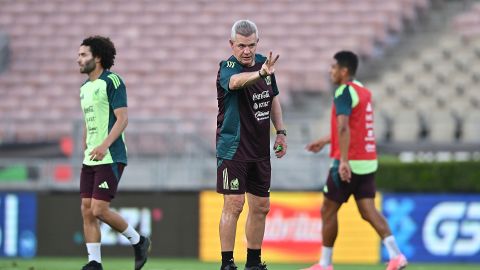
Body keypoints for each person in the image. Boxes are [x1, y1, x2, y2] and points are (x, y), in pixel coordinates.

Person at [304, 51, 407, 270]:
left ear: (344, 71)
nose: (330, 71)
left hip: (349, 163)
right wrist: (324, 141)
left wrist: (342, 161)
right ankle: (397, 256)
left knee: (328, 210)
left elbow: (343, 127)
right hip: (367, 161)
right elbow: (353, 129)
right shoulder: (363, 91)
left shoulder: (343, 92)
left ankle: (325, 264)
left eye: (333, 68)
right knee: (368, 210)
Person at [216, 20, 287, 270]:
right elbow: (235, 83)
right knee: (234, 205)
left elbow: (273, 99)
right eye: (241, 45)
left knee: (261, 207)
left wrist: (280, 132)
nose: (246, 50)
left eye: (251, 45)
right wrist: (260, 74)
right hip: (233, 149)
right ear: (232, 45)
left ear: (258, 43)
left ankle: (254, 263)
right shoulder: (227, 67)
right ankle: (227, 263)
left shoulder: (265, 65)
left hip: (259, 150)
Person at [77, 36, 151, 270]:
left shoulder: (113, 81)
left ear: (97, 58)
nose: (78, 59)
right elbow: (89, 124)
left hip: (111, 155)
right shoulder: (85, 88)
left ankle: (138, 241)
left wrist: (104, 145)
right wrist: (87, 146)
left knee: (99, 209)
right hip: (91, 157)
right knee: (86, 209)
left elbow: (123, 119)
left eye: (83, 55)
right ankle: (94, 262)